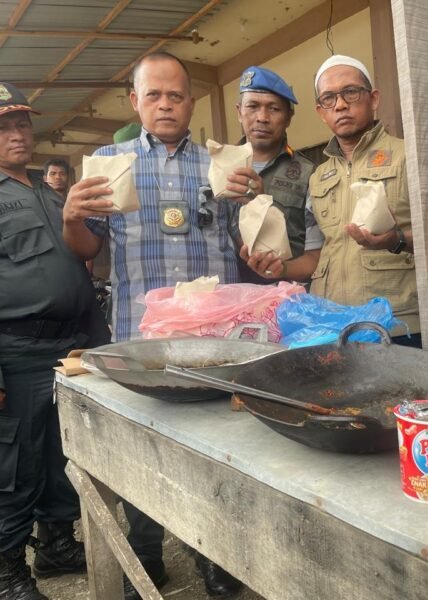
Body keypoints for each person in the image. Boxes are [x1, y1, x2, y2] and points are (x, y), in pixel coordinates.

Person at [61, 51, 261, 599]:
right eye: (154, 95)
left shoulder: (222, 164)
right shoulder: (110, 161)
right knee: (141, 452)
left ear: (191, 102)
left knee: (214, 453)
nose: (166, 104)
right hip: (140, 339)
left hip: (212, 345)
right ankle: (146, 554)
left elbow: (246, 245)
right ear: (135, 101)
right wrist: (72, 217)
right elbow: (87, 249)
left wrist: (254, 209)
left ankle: (213, 555)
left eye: (176, 95)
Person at [0, 83, 110, 600]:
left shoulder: (50, 194)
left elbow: (78, 266)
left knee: (62, 455)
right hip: (17, 352)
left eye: (22, 122)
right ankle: (7, 570)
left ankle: (56, 544)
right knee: (16, 464)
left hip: (69, 347)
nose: (17, 134)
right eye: (3, 126)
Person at [241, 55, 422, 346]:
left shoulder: (409, 156)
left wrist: (395, 240)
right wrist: (280, 268)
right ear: (321, 112)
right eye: (329, 98)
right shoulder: (318, 176)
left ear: (374, 99)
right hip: (332, 327)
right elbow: (316, 256)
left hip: (396, 326)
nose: (340, 105)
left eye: (350, 92)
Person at [234, 66, 315, 284]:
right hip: (229, 297)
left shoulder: (309, 174)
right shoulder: (216, 168)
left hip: (288, 296)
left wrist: (259, 203)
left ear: (289, 117)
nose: (262, 117)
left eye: (274, 109)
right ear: (239, 112)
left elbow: (317, 256)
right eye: (252, 106)